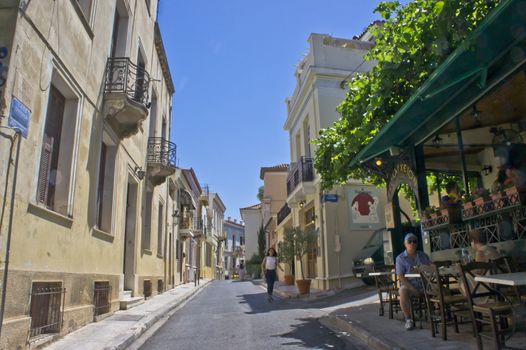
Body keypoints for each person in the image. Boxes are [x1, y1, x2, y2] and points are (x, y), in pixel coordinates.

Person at [395, 233, 431, 331]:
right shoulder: (400, 258)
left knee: (442, 289)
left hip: (425, 284)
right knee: (402, 291)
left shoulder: (423, 255)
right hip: (410, 285)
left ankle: (441, 315)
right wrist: (412, 288)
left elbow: (431, 269)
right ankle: (409, 319)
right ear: (405, 244)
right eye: (409, 241)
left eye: (414, 241)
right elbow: (401, 277)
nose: (412, 243)